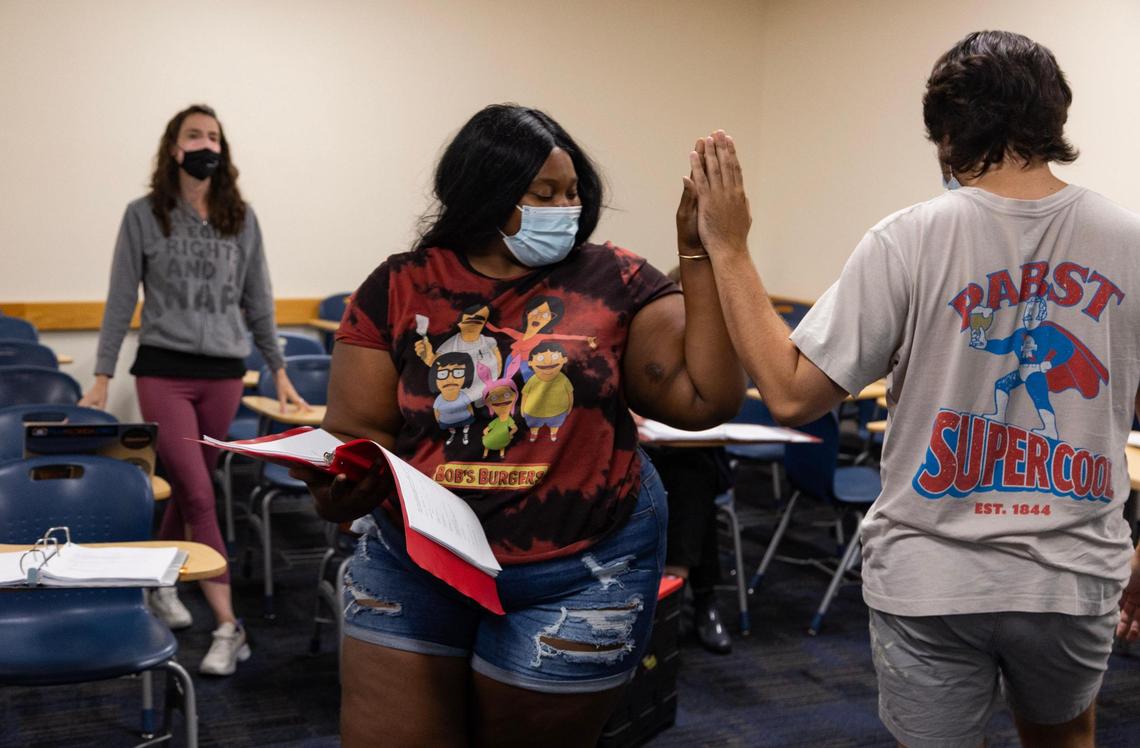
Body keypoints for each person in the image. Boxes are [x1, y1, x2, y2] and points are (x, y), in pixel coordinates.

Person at [692, 30, 1140, 747]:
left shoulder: (907, 239)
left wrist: (730, 246)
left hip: (933, 576)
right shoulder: (1131, 242)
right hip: (1072, 575)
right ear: (1055, 122)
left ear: (949, 133)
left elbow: (788, 391)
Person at [289, 103, 744, 746]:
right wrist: (339, 478)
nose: (566, 207)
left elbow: (707, 400)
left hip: (579, 572)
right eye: (544, 194)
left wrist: (704, 254)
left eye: (573, 193)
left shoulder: (615, 279)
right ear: (484, 195)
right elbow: (357, 431)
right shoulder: (400, 284)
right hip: (416, 559)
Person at [80, 104, 308, 677]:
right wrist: (102, 376)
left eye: (214, 135)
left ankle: (159, 587)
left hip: (225, 374)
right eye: (194, 135)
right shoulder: (144, 214)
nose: (205, 143)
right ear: (174, 148)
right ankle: (232, 626)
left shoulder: (240, 217)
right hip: (162, 369)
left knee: (187, 490)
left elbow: (260, 298)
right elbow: (117, 301)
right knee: (202, 493)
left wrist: (278, 367)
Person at [643, 266, 735, 654]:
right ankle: (705, 600)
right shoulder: (650, 337)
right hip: (652, 452)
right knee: (691, 495)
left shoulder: (720, 346)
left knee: (692, 474)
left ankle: (673, 591)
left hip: (702, 456)